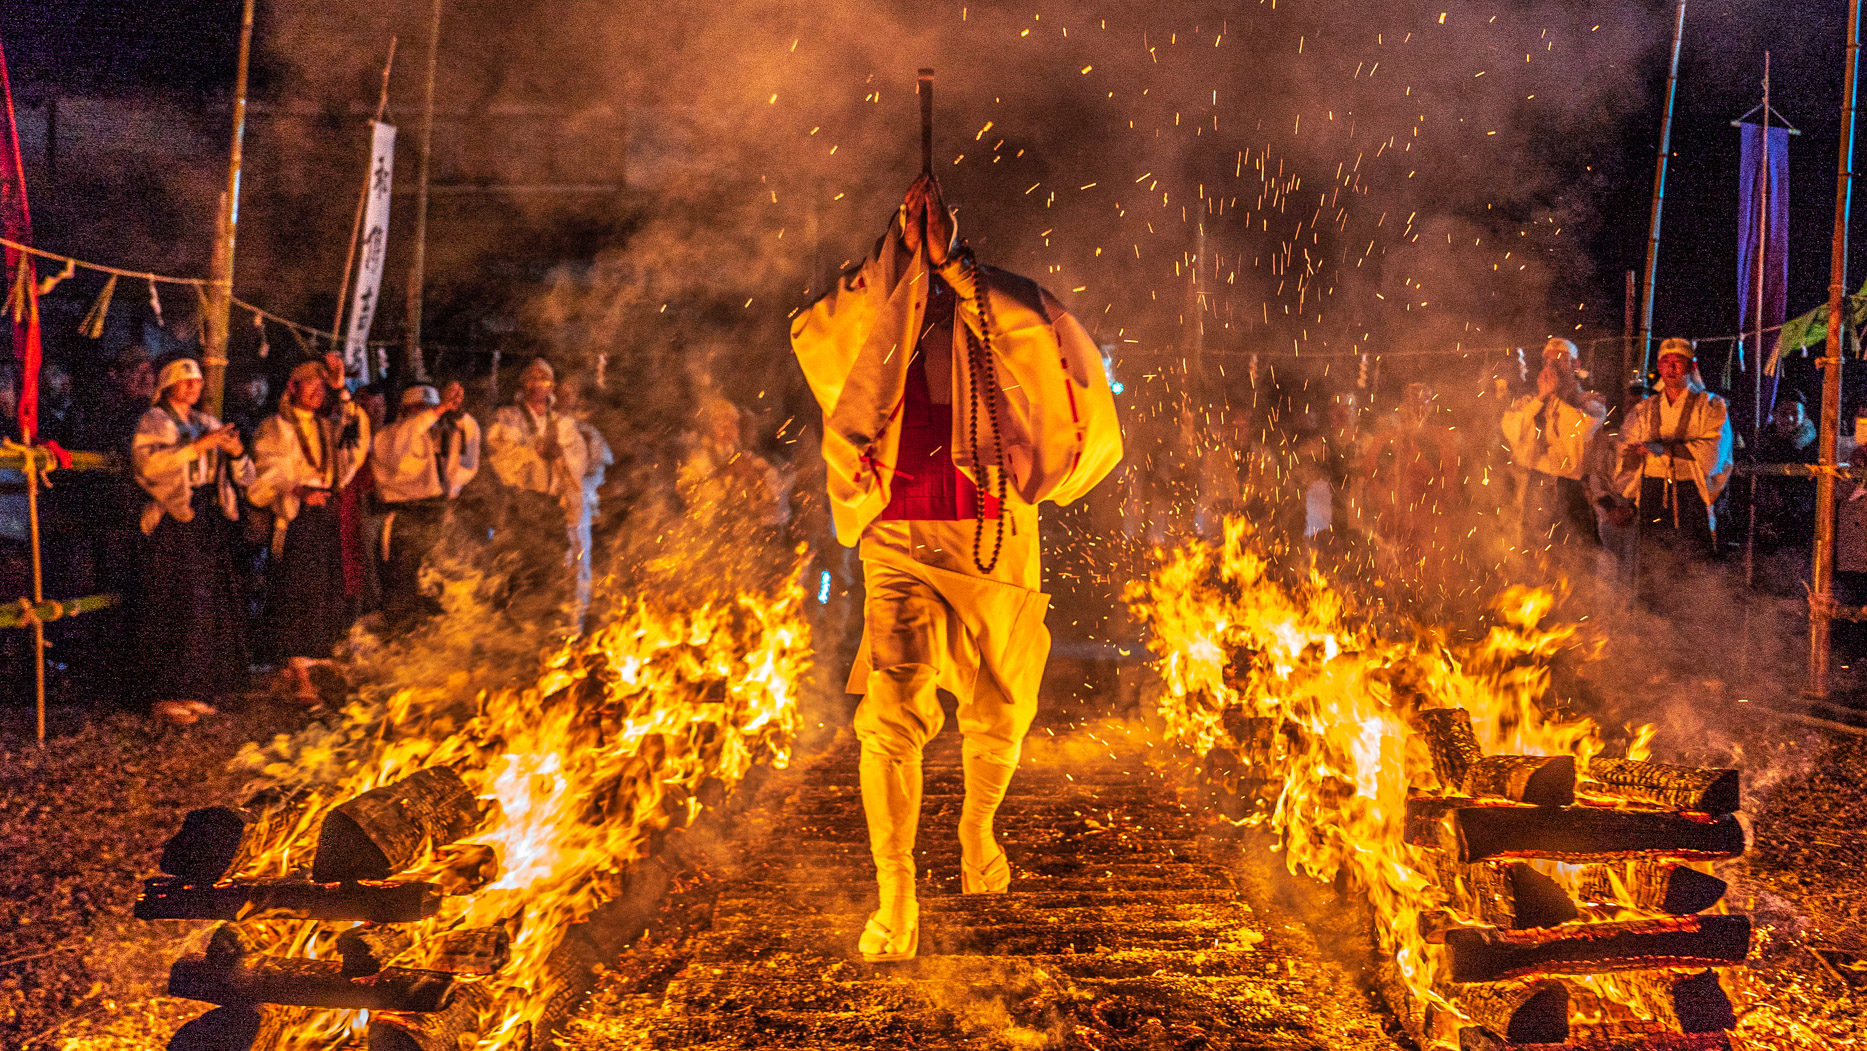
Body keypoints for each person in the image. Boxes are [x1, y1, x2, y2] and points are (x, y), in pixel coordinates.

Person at [791, 173, 1123, 961]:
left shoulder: (994, 301)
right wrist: (896, 251)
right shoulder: (883, 306)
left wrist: (954, 264)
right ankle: (896, 893)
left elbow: (1050, 346)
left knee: (1002, 706)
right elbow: (821, 330)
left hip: (993, 529)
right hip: (899, 531)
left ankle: (976, 829)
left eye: (930, 235)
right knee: (890, 712)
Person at [131, 358, 255, 724]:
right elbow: (149, 466)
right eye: (184, 381)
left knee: (204, 602)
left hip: (205, 515)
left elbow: (241, 472)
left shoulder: (206, 423)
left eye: (197, 381)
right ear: (168, 385)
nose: (192, 386)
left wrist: (234, 453)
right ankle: (165, 692)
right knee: (172, 600)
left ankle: (196, 687)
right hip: (172, 516)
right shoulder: (156, 421)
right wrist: (198, 448)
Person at [249, 355, 372, 698]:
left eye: (322, 387)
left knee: (325, 589)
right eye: (312, 384)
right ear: (293, 387)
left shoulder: (328, 425)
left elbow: (355, 440)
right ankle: (294, 668)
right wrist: (297, 488)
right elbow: (266, 470)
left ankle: (315, 665)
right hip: (297, 516)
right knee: (296, 590)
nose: (318, 392)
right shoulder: (276, 426)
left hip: (326, 515)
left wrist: (341, 390)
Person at [1615, 339, 1735, 589]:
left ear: (1691, 367)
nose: (1671, 369)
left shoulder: (1711, 405)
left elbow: (1713, 454)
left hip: (1690, 493)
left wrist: (1665, 448)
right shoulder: (1644, 409)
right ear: (1658, 367)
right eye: (1665, 363)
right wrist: (1634, 454)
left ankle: (1693, 619)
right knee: (1652, 563)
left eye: (1678, 363)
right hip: (1653, 491)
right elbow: (1625, 447)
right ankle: (1651, 621)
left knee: (1692, 564)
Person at [370, 382, 480, 628]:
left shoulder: (443, 438)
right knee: (403, 590)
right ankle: (400, 645)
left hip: (438, 517)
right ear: (405, 410)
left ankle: (432, 648)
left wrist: (458, 413)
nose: (428, 415)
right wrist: (437, 411)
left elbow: (467, 461)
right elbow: (404, 439)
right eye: (421, 409)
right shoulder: (388, 436)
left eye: (431, 408)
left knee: (440, 587)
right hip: (405, 521)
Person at [485, 357, 587, 618]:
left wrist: (560, 453)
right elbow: (500, 454)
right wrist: (534, 454)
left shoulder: (563, 422)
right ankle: (513, 618)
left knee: (552, 562)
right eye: (531, 378)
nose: (537, 384)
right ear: (523, 384)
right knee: (518, 562)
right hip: (520, 501)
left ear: (552, 387)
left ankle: (547, 618)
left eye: (543, 379)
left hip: (551, 503)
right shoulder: (507, 417)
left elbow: (578, 460)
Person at [1501, 337, 1607, 550]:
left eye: (1560, 361)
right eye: (1548, 362)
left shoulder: (1589, 402)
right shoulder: (1532, 400)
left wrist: (1557, 398)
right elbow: (1511, 428)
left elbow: (1581, 427)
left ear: (1575, 365)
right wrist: (1541, 398)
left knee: (1577, 555)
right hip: (1537, 485)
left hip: (1571, 488)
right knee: (1535, 554)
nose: (1553, 367)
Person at [554, 382, 615, 624]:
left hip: (579, 507)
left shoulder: (587, 431)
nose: (570, 399)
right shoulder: (550, 426)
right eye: (565, 394)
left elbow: (597, 467)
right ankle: (557, 619)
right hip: (552, 505)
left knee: (580, 560)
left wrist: (588, 490)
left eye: (573, 394)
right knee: (559, 560)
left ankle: (576, 621)